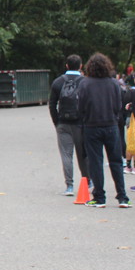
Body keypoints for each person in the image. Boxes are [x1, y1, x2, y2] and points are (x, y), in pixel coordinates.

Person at [78, 53, 129, 208]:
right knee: (116, 161)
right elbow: (118, 105)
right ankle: (122, 196)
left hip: (92, 125)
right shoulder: (114, 83)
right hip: (111, 125)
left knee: (95, 161)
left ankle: (99, 197)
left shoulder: (85, 83)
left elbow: (81, 106)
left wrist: (85, 118)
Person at [48, 54, 86, 196]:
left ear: (67, 65)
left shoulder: (58, 82)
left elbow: (52, 104)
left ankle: (69, 185)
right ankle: (87, 181)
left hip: (63, 122)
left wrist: (57, 122)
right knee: (83, 154)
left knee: (66, 154)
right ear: (81, 66)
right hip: (80, 123)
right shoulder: (85, 82)